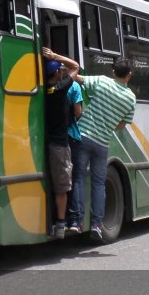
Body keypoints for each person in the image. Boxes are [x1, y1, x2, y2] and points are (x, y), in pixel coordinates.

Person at [74, 57, 136, 242]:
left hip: (84, 136)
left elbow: (79, 79)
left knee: (77, 177)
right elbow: (121, 125)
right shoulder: (130, 98)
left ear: (113, 72)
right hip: (102, 143)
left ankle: (77, 221)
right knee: (99, 184)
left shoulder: (102, 81)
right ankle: (96, 225)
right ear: (129, 75)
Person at [41, 47, 80, 239]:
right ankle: (60, 224)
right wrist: (55, 55)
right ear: (56, 73)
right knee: (62, 188)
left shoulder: (41, 91)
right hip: (59, 145)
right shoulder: (59, 89)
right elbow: (75, 66)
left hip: (43, 142)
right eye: (59, 70)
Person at [66, 79, 84, 233]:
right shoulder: (74, 86)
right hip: (72, 136)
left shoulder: (51, 84)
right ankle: (75, 220)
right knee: (76, 178)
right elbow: (78, 112)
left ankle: (62, 219)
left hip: (56, 138)